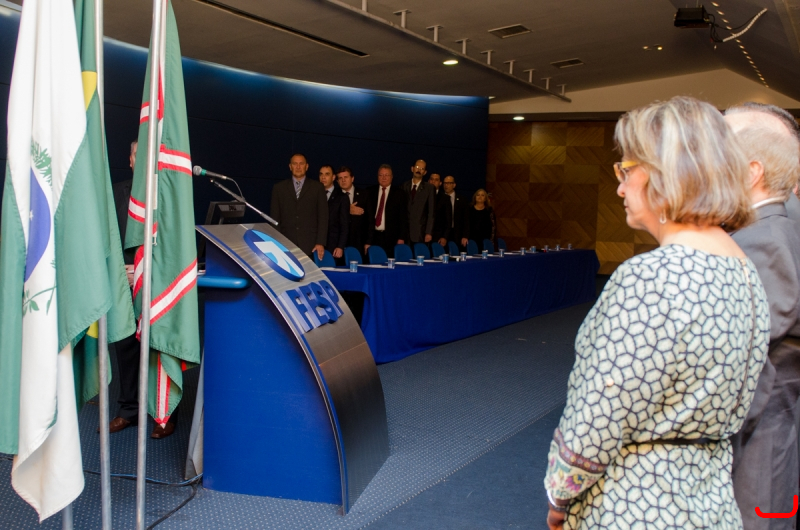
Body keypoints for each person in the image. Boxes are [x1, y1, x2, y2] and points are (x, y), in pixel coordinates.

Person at [543, 96, 770, 530]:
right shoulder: (743, 270)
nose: (620, 187)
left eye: (626, 170)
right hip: (710, 501)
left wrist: (560, 496)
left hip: (635, 503)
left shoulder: (650, 277)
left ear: (665, 173)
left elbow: (598, 417)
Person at [723, 102, 800, 530]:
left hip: (755, 454)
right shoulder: (764, 229)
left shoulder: (765, 239)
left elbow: (752, 370)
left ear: (753, 171)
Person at [106, 140, 176, 439]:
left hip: (159, 283)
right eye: (138, 154)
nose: (142, 159)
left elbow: (174, 243)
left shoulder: (168, 195)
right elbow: (107, 237)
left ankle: (164, 415)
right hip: (125, 282)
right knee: (125, 347)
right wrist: (122, 268)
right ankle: (128, 410)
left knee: (161, 345)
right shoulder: (115, 193)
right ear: (131, 160)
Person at [270, 153, 328, 259]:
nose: (298, 167)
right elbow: (275, 218)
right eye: (295, 164)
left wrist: (320, 242)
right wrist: (277, 241)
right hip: (285, 244)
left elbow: (323, 217)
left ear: (307, 166)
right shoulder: (279, 188)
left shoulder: (318, 187)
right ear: (290, 166)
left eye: (301, 164)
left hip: (310, 245)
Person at [366, 164, 408, 259]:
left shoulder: (400, 194)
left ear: (392, 177)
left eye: (386, 175)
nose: (384, 178)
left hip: (391, 238)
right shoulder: (369, 192)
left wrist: (401, 237)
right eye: (381, 175)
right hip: (373, 237)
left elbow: (403, 218)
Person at [337, 166, 370, 256]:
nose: (343, 180)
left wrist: (368, 241)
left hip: (359, 241)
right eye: (340, 178)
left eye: (346, 177)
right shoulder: (334, 196)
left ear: (352, 178)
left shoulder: (364, 194)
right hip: (339, 243)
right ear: (337, 181)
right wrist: (347, 210)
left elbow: (370, 220)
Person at [319, 164, 348, 262]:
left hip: (334, 246)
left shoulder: (342, 197)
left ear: (333, 177)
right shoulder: (314, 195)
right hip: (317, 245)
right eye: (321, 174)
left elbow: (345, 225)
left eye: (327, 174)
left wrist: (340, 246)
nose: (323, 177)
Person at [402, 159, 435, 245]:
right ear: (412, 168)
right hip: (404, 232)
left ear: (425, 172)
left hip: (420, 232)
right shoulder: (404, 186)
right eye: (417, 167)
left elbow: (431, 212)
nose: (419, 170)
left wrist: (428, 232)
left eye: (422, 168)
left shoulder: (429, 188)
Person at [437, 175, 469, 250]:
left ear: (454, 185)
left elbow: (466, 219)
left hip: (457, 234)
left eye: (449, 183)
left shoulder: (462, 200)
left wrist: (465, 235)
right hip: (442, 234)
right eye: (445, 183)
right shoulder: (439, 199)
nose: (446, 185)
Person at [429, 173, 446, 243]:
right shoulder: (421, 196)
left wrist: (444, 236)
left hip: (438, 235)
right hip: (422, 234)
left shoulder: (445, 198)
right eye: (431, 179)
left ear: (440, 183)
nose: (433, 181)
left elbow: (447, 220)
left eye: (436, 180)